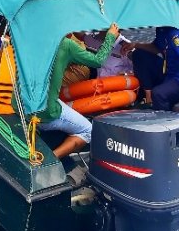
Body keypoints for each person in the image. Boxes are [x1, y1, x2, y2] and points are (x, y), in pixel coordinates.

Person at [39, 23, 119, 159]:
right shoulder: (66, 45)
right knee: (88, 130)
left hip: (19, 104)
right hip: (45, 111)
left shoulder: (33, 38)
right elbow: (98, 61)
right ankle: (48, 160)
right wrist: (110, 36)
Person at [122, 26, 179, 110]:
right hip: (169, 74)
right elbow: (157, 49)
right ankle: (146, 98)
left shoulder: (176, 34)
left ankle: (165, 119)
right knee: (139, 54)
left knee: (158, 94)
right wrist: (135, 45)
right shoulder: (162, 30)